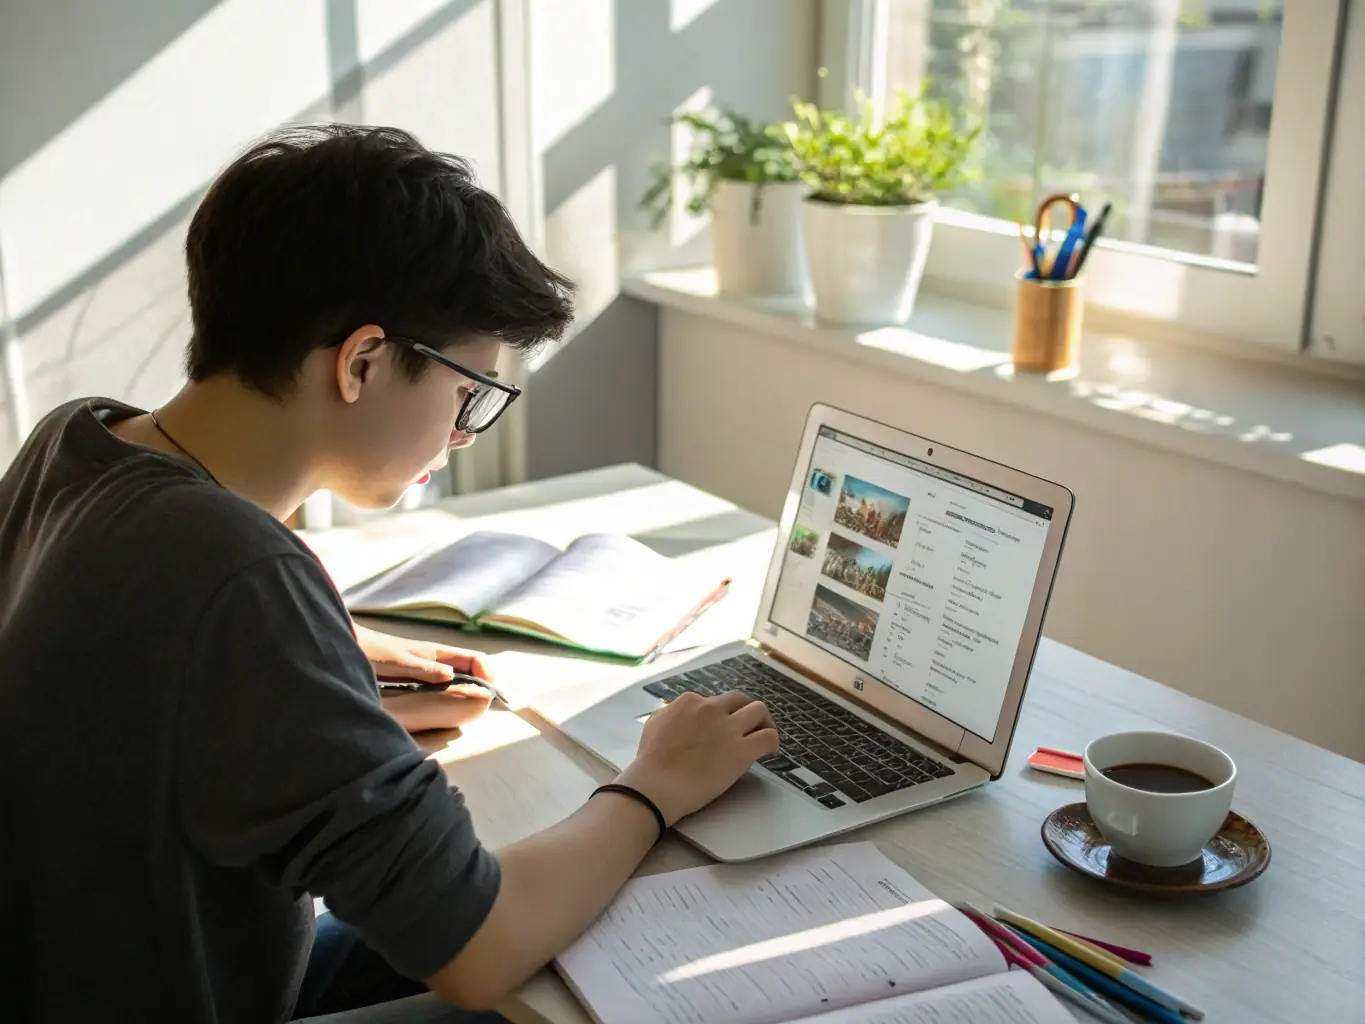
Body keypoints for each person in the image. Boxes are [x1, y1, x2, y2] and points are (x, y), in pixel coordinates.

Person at [0, 125, 778, 1023]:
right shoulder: (237, 573)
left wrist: (323, 666)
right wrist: (654, 785)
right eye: (466, 390)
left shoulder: (80, 437)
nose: (460, 434)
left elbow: (135, 660)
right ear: (361, 361)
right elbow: (480, 950)